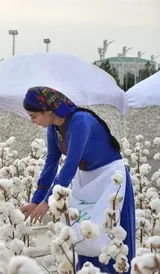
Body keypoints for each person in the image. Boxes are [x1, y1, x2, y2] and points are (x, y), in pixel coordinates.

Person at [20, 86, 135, 273]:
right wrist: (36, 200)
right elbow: (51, 164)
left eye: (34, 116)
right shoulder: (54, 129)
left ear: (48, 111)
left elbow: (70, 165)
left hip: (111, 179)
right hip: (87, 180)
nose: (33, 122)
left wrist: (48, 202)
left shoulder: (80, 122)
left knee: (111, 238)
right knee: (85, 237)